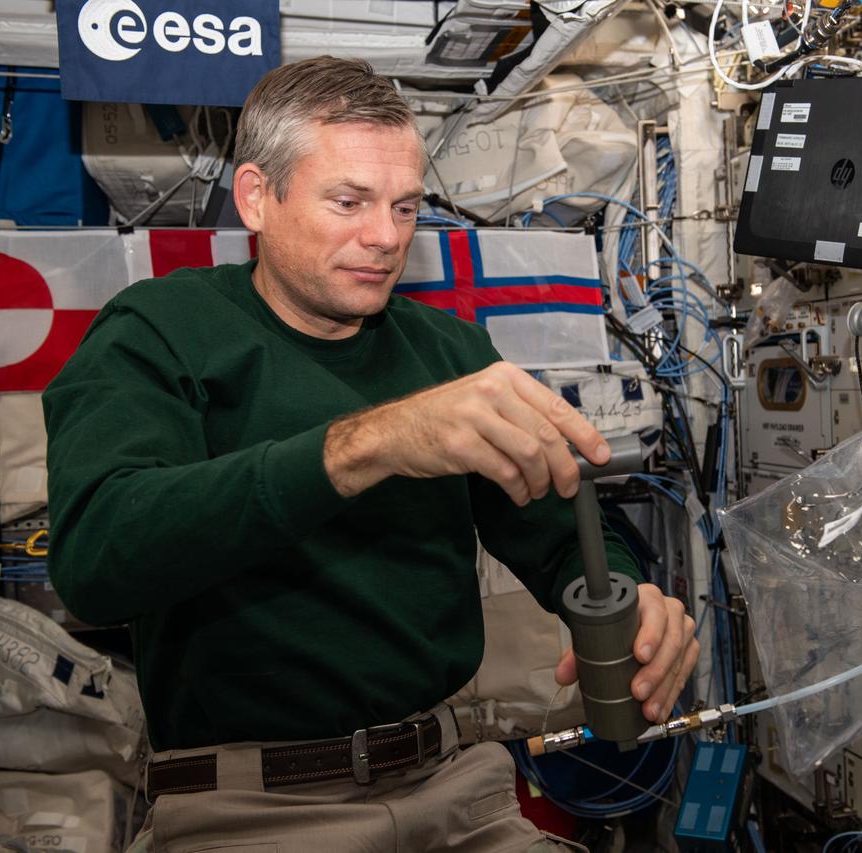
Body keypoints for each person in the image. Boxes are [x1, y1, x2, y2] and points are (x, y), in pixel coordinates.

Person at [43, 56, 698, 852]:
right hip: (253, 810)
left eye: (405, 206)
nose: (385, 237)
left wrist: (635, 600)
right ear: (256, 197)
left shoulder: (449, 352)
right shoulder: (158, 330)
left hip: (457, 786)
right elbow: (98, 557)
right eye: (348, 201)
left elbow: (566, 534)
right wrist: (367, 445)